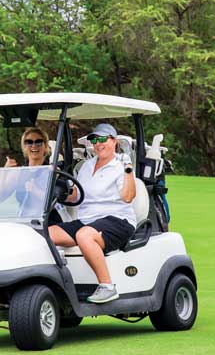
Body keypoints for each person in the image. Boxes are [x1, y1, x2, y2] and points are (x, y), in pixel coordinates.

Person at [48, 123, 136, 304]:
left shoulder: (120, 165)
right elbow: (77, 196)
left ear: (114, 141)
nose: (98, 144)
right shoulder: (87, 166)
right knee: (45, 233)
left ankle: (107, 286)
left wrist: (128, 168)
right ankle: (52, 283)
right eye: (94, 140)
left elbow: (128, 197)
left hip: (118, 220)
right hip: (88, 220)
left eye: (103, 139)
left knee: (84, 235)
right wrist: (59, 191)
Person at [0, 127, 52, 217]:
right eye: (29, 142)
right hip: (24, 220)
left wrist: (35, 191)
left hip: (48, 220)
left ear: (45, 146)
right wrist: (5, 171)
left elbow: (57, 202)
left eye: (38, 142)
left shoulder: (52, 171)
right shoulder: (19, 173)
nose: (34, 145)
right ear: (24, 147)